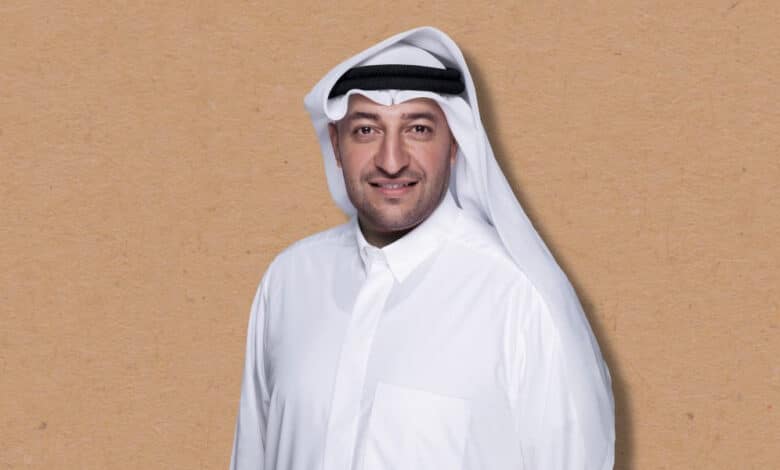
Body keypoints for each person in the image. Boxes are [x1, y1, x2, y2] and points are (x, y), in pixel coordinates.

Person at [230, 27, 615, 470]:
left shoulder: (520, 299)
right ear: (336, 145)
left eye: (418, 129)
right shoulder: (288, 280)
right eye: (366, 130)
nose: (391, 160)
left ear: (454, 143)